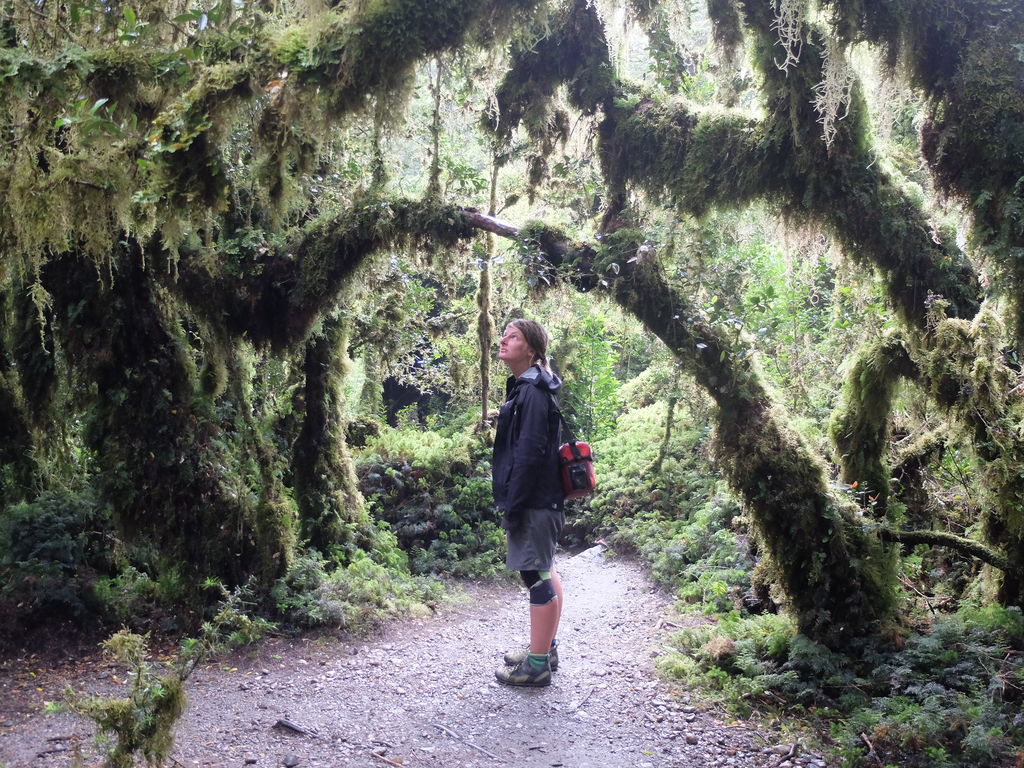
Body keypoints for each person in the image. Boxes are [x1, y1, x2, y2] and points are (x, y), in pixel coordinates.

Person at [492, 319, 565, 687]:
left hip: (534, 500)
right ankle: (545, 649)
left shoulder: (533, 391)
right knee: (545, 568)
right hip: (540, 498)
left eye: (513, 337)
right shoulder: (528, 387)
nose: (503, 340)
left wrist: (514, 505)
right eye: (504, 335)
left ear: (532, 349)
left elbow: (530, 454)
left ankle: (537, 665)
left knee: (535, 575)